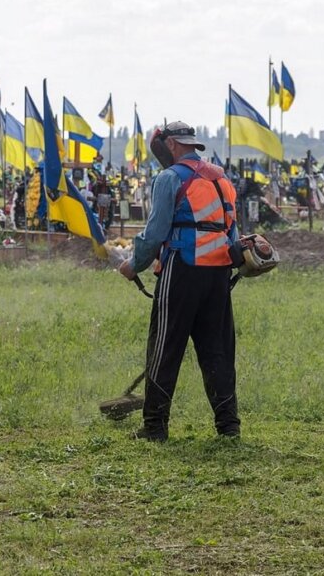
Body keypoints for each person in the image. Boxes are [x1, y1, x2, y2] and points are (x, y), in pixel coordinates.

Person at [118, 121, 240, 442]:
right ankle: (228, 427)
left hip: (182, 270)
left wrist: (134, 265)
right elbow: (233, 232)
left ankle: (155, 427)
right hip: (218, 274)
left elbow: (156, 233)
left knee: (165, 348)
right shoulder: (221, 177)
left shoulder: (169, 178)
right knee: (217, 351)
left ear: (171, 145)